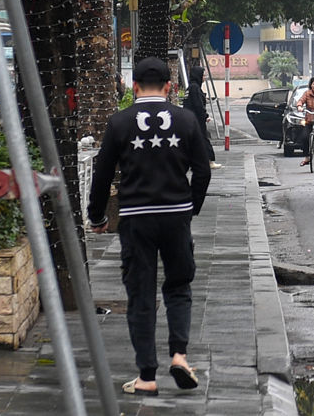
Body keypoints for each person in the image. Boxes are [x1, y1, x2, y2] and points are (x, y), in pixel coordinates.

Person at [89, 57, 215, 396]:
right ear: (170, 87)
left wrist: (97, 216)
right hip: (176, 216)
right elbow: (203, 171)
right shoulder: (186, 120)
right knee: (178, 286)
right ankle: (179, 355)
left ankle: (146, 376)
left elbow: (101, 175)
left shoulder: (119, 123)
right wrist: (191, 208)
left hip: (135, 219)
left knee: (140, 294)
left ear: (133, 87)